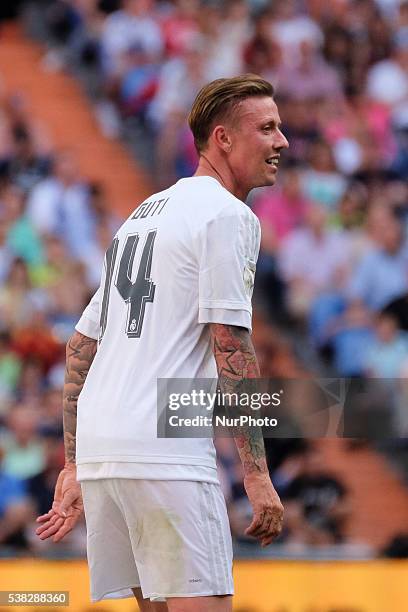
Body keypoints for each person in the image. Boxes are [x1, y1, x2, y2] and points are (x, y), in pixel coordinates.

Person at [35, 74, 288, 612]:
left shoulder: (142, 217)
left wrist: (75, 462)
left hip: (106, 453)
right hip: (165, 453)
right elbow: (231, 344)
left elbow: (81, 344)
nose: (281, 142)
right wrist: (257, 474)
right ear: (223, 138)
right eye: (266, 128)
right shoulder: (228, 215)